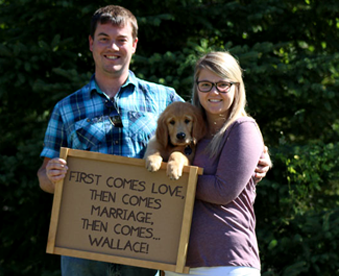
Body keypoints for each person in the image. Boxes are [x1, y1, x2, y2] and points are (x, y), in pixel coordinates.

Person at [37, 5, 271, 276]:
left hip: (146, 243)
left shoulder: (166, 99)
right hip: (84, 244)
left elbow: (214, 129)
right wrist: (51, 174)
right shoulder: (66, 108)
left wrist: (261, 155)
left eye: (122, 39)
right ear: (91, 43)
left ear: (134, 45)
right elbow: (45, 176)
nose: (112, 47)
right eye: (104, 38)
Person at [165, 51, 270, 276]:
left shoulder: (242, 129)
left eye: (223, 84)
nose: (214, 92)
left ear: (236, 87)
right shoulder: (188, 130)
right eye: (206, 84)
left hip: (227, 260)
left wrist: (173, 179)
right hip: (179, 261)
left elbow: (223, 190)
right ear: (196, 88)